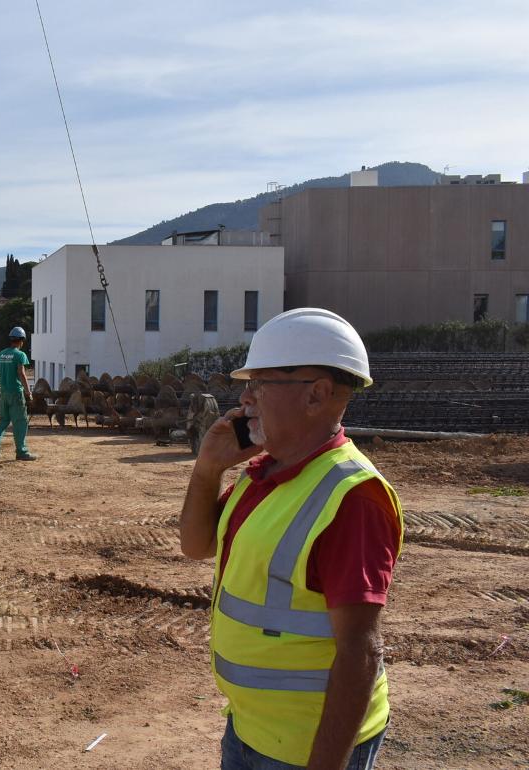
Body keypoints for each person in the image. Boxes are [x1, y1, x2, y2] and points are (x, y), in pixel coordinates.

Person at [179, 308, 403, 770]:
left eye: (260, 383)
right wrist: (208, 468)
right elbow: (196, 545)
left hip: (306, 748)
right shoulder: (264, 474)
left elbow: (360, 652)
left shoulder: (353, 498)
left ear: (316, 394)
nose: (245, 398)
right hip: (249, 728)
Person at [0, 325, 37, 461]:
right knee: (20, 422)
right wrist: (28, 393)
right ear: (21, 340)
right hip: (16, 394)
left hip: (4, 394)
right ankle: (22, 452)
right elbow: (21, 373)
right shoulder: (20, 355)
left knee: (3, 421)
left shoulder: (2, 354)